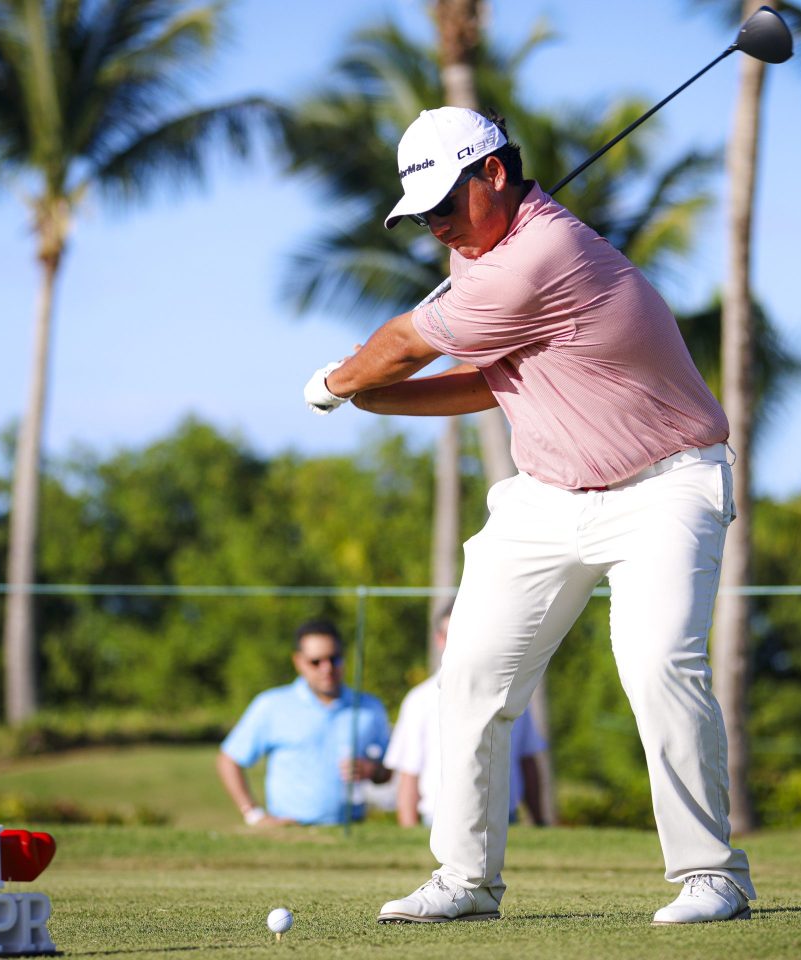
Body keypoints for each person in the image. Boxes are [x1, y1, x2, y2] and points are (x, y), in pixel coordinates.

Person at [302, 107, 755, 925]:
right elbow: (488, 379)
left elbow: (408, 339)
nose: (438, 225)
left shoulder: (543, 253)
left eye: (447, 204)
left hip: (665, 488)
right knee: (468, 678)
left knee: (657, 666)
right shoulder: (480, 258)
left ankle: (711, 874)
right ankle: (465, 880)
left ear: (495, 175)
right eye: (425, 215)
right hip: (546, 496)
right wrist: (377, 398)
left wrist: (339, 383)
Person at [384, 603, 548, 828]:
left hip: (503, 820)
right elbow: (409, 776)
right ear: (439, 639)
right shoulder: (419, 701)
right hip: (439, 822)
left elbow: (527, 762)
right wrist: (409, 832)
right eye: (453, 635)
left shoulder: (510, 695)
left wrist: (540, 822)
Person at [216, 619, 391, 827]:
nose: (326, 668)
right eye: (315, 662)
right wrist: (253, 814)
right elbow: (229, 759)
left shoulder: (369, 708)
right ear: (298, 661)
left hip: (352, 829)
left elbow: (391, 769)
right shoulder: (272, 705)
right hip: (291, 830)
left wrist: (373, 770)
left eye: (334, 659)